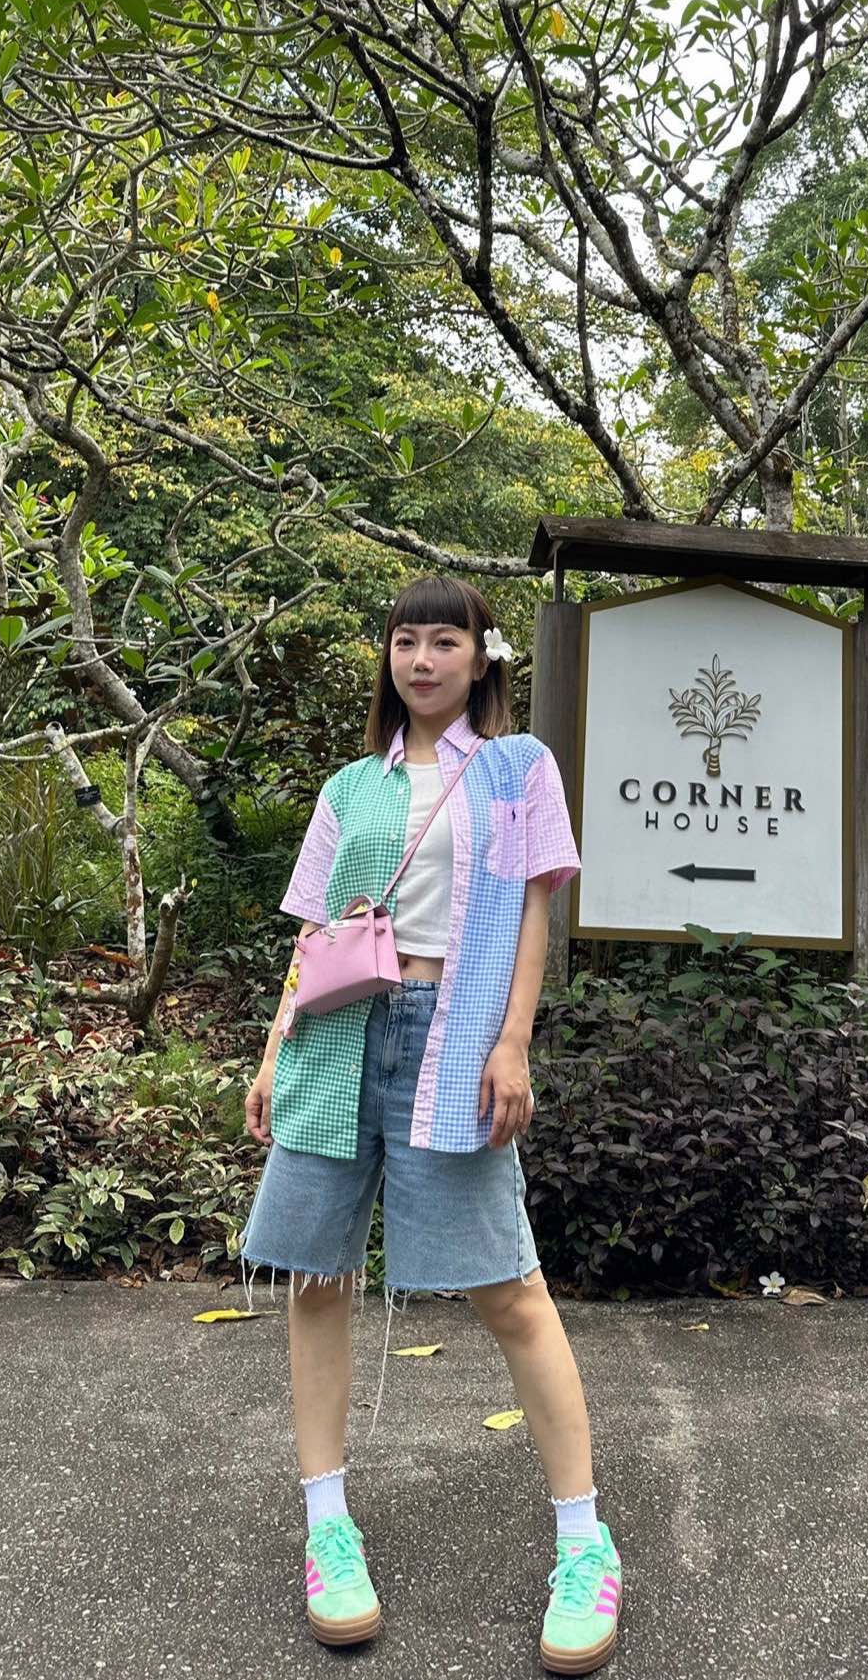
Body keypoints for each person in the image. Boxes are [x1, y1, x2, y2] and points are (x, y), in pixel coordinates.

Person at [241, 574, 623, 1675]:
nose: (421, 660)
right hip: (335, 1039)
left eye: (443, 641)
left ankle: (584, 1542)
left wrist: (514, 1044)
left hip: (452, 1038)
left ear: (480, 656)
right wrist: (270, 1052)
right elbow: (315, 934)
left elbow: (535, 912)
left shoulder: (518, 768)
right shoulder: (349, 787)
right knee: (318, 1280)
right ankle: (328, 1528)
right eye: (405, 641)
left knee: (508, 1288)